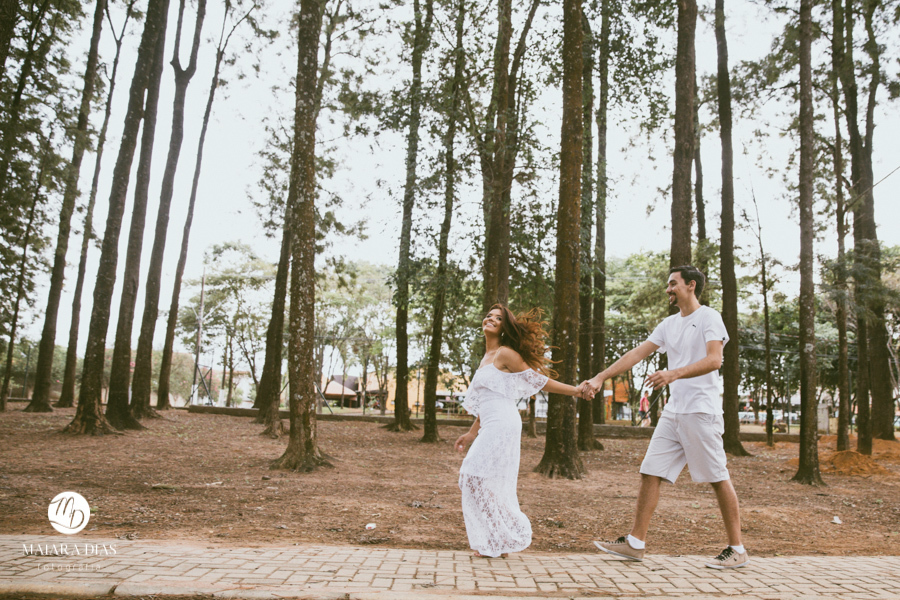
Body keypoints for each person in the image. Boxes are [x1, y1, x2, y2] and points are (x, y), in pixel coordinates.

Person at [582, 265, 749, 569]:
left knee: (716, 477)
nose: (668, 289)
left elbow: (714, 359)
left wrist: (673, 373)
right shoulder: (669, 324)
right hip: (674, 412)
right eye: (668, 285)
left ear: (692, 285)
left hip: (701, 410)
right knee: (651, 471)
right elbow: (636, 353)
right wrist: (600, 377)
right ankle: (635, 543)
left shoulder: (709, 317)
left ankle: (737, 549)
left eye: (673, 284)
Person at [454, 304, 587, 558]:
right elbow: (487, 401)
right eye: (489, 315)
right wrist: (472, 433)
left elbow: (539, 380)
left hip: (504, 424)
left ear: (505, 327)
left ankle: (501, 538)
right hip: (491, 424)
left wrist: (576, 391)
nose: (491, 319)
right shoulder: (486, 358)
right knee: (480, 480)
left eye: (498, 318)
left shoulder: (505, 354)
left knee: (472, 475)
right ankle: (498, 541)